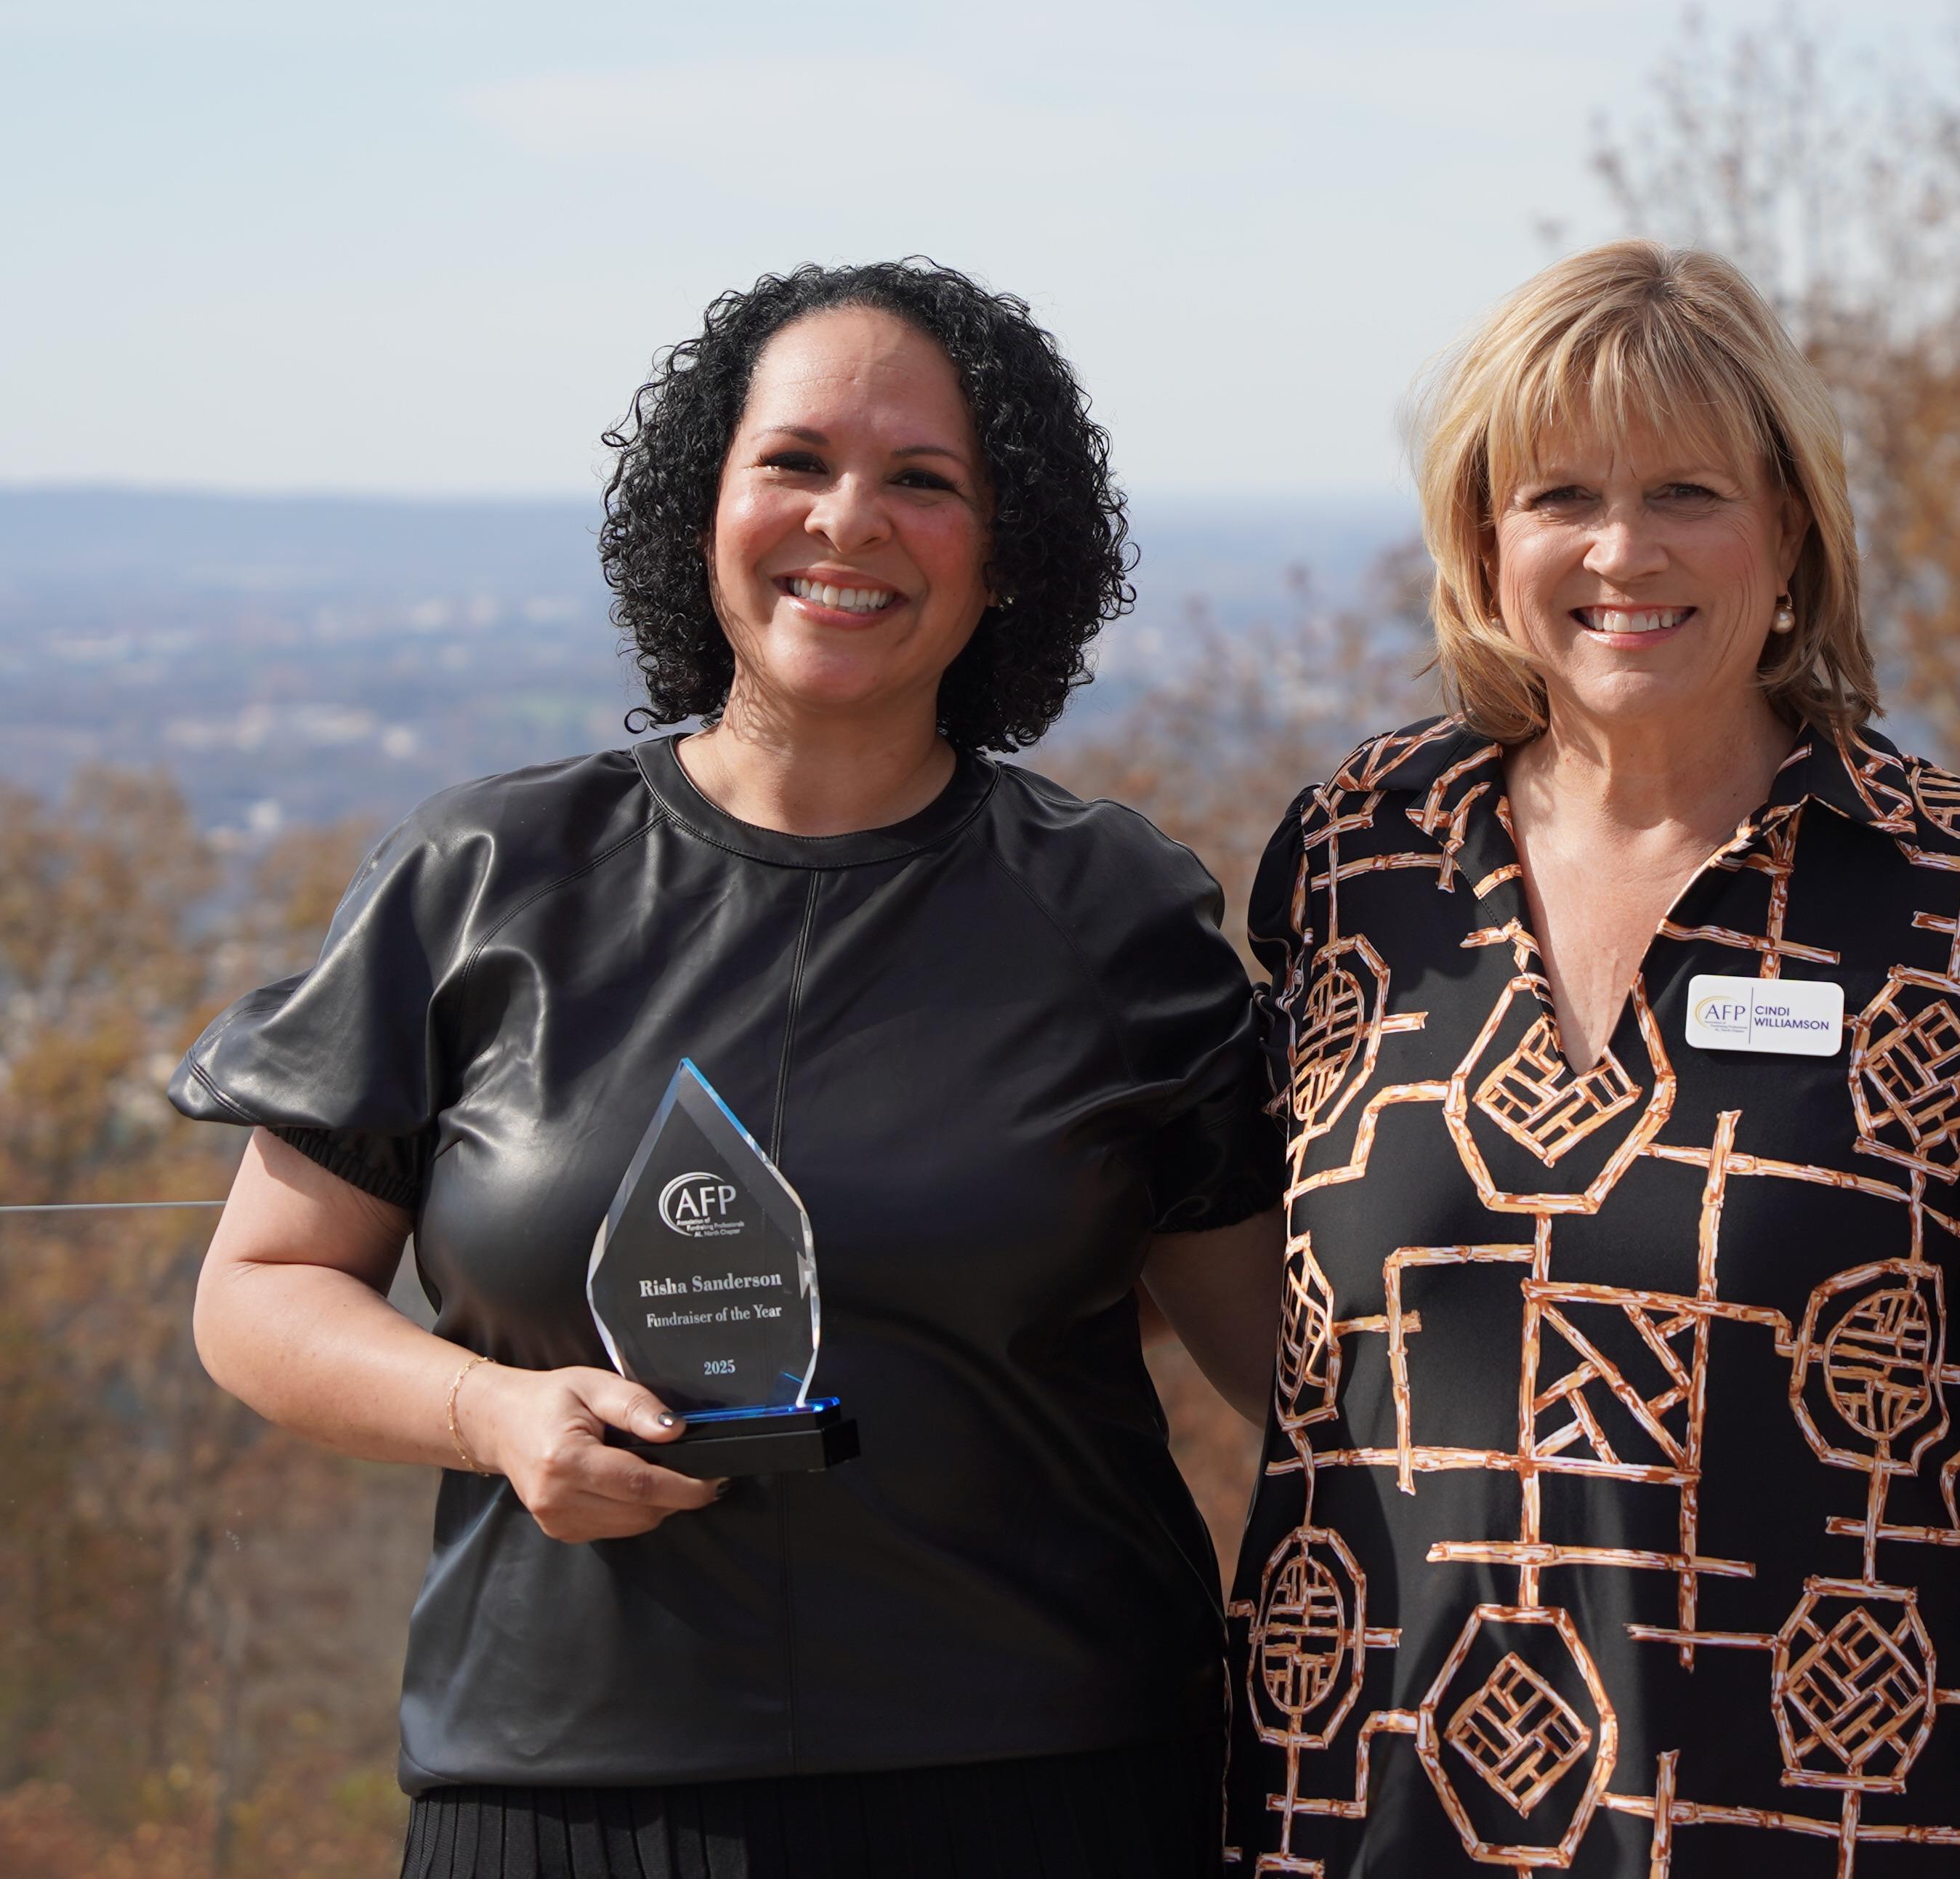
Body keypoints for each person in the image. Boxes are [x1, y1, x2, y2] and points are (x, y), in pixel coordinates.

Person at [173, 259, 1283, 1878]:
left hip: (1054, 1787)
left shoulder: (1114, 914)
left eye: (925, 480)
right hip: (557, 1800)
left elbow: (1303, 1370)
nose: (849, 520)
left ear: (1010, 561)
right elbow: (257, 1292)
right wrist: (491, 1414)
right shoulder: (483, 874)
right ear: (701, 510)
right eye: (795, 463)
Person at [1226, 239, 1960, 1878]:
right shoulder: (1351, 868)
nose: (1621, 552)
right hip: (1373, 1820)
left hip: (1866, 1829)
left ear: (1788, 526)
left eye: (1686, 495)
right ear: (1481, 538)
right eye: (1559, 497)